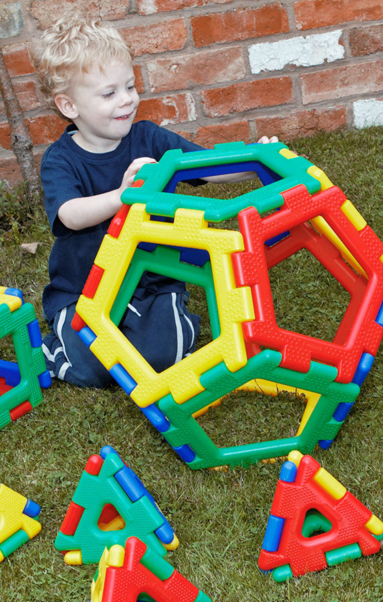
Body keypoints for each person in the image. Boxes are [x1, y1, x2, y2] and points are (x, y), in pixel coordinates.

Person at [32, 16, 276, 387]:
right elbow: (70, 214)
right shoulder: (60, 160)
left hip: (154, 282)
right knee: (95, 369)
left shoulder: (149, 138)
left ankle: (163, 327)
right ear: (69, 105)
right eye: (109, 93)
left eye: (130, 86)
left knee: (164, 358)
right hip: (84, 289)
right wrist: (123, 195)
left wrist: (256, 162)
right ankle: (55, 350)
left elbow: (207, 167)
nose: (127, 99)